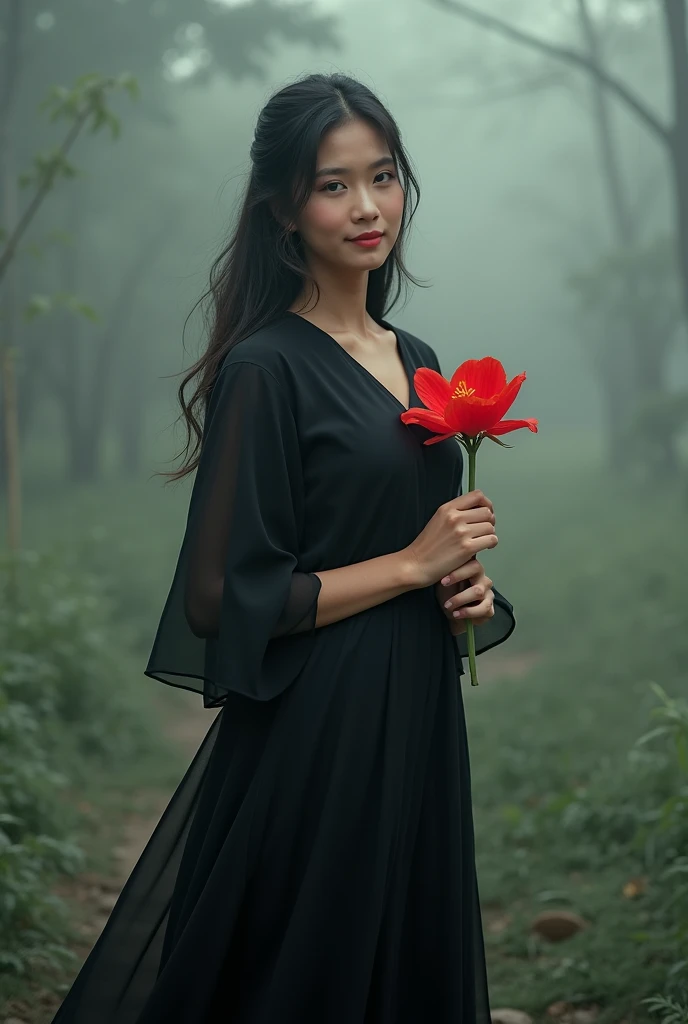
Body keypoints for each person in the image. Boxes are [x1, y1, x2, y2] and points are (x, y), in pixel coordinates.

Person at [50, 71, 515, 1024]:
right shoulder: (265, 368)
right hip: (320, 724)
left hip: (419, 710)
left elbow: (409, 540)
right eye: (331, 184)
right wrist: (409, 566)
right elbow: (219, 597)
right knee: (303, 976)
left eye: (381, 177)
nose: (366, 206)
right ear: (283, 209)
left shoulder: (418, 359)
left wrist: (461, 586)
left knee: (396, 960)